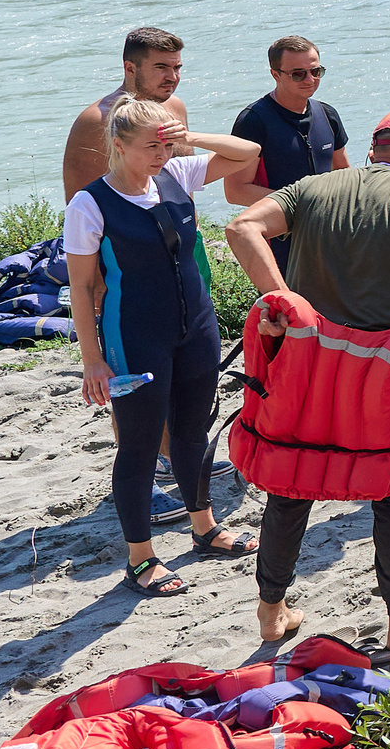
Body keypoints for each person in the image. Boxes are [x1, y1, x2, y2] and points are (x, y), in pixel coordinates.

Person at [224, 111, 390, 651]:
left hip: (309, 365)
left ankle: (272, 613)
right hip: (381, 368)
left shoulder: (313, 187)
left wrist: (282, 302)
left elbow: (240, 225)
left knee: (291, 482)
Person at [65, 101, 264, 598]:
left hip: (195, 328)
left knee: (194, 430)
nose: (160, 154)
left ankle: (205, 528)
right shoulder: (90, 205)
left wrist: (188, 138)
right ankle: (140, 558)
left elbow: (248, 154)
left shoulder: (177, 172)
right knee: (138, 444)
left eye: (165, 143)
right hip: (135, 337)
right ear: (118, 145)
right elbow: (82, 288)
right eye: (149, 146)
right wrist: (93, 360)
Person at [225, 38, 350, 275]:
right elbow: (236, 190)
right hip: (281, 244)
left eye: (316, 71)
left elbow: (344, 174)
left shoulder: (328, 114)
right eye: (298, 74)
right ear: (275, 74)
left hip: (329, 238)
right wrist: (302, 204)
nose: (310, 80)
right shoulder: (253, 121)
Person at [63, 28, 189, 202]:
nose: (172, 77)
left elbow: (186, 185)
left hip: (183, 225)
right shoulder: (98, 121)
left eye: (177, 68)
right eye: (161, 67)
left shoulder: (175, 106)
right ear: (130, 69)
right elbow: (80, 201)